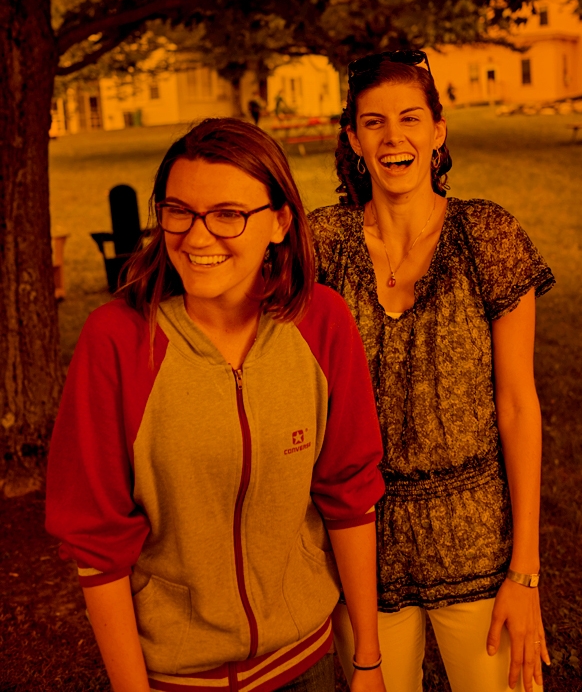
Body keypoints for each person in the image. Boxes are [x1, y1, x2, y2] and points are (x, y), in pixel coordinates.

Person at [45, 118, 387, 692]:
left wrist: (368, 661)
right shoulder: (118, 342)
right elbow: (97, 545)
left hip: (309, 662)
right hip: (176, 678)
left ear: (279, 221)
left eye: (228, 214)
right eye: (179, 211)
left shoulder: (323, 322)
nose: (197, 238)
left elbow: (350, 496)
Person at [307, 51, 555, 692]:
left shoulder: (487, 236)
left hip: (475, 537)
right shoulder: (323, 246)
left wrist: (523, 573)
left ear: (438, 131)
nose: (395, 138)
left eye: (410, 119)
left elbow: (518, 405)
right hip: (363, 543)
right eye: (374, 123)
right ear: (354, 139)